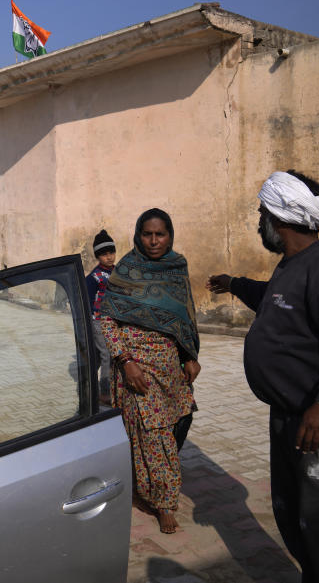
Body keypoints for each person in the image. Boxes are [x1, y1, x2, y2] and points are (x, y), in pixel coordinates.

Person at [206, 170, 319, 583]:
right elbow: (275, 299)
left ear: (279, 218)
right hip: (290, 416)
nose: (257, 221)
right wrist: (234, 284)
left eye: (260, 213)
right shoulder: (294, 265)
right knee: (296, 517)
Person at [99, 208, 201, 534]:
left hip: (169, 365)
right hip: (135, 367)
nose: (154, 241)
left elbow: (184, 318)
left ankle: (140, 479)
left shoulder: (176, 267)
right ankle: (164, 502)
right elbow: (106, 319)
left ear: (170, 235)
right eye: (148, 234)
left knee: (176, 423)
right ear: (138, 235)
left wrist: (189, 356)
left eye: (161, 234)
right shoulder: (126, 269)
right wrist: (125, 362)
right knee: (154, 433)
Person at [85, 229, 116, 403]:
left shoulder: (117, 273)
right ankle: (104, 392)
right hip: (98, 321)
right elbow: (87, 301)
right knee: (107, 354)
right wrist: (90, 324)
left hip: (113, 321)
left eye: (111, 252)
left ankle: (89, 385)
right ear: (98, 256)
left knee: (99, 356)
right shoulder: (94, 278)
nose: (109, 257)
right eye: (104, 254)